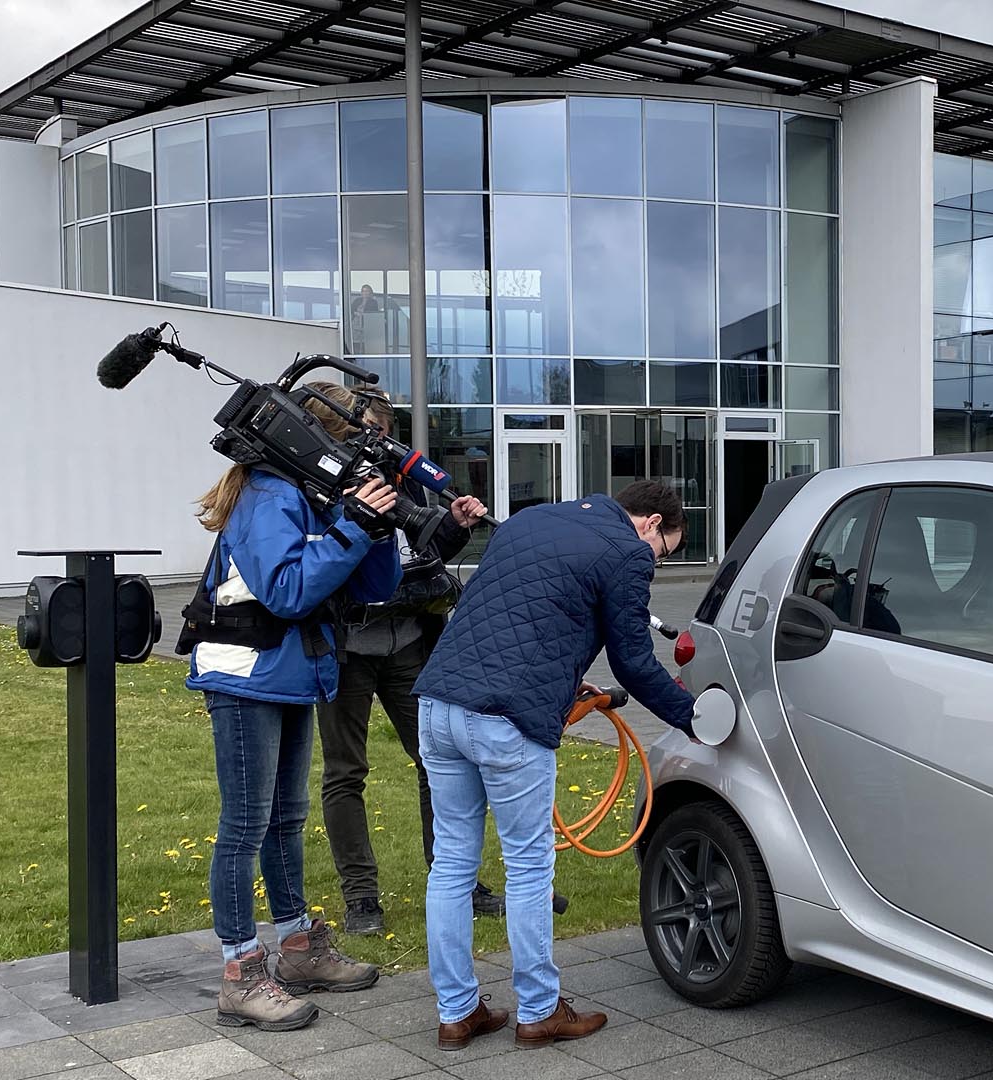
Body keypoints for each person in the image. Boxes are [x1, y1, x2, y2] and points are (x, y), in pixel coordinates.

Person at [413, 479, 697, 1052]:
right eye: (664, 550)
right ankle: (540, 1011)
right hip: (506, 720)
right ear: (650, 525)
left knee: (451, 864)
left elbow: (516, 615)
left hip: (439, 704)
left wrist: (565, 677)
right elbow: (635, 664)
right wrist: (696, 720)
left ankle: (457, 1012)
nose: (656, 561)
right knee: (528, 867)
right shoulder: (626, 551)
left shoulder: (530, 518)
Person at [183, 380, 403, 1033]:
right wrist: (351, 525)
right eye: (350, 442)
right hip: (247, 674)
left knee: (285, 818)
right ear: (311, 439)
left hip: (290, 673)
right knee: (246, 824)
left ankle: (298, 949)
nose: (360, 456)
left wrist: (378, 525)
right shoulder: (267, 496)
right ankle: (239, 974)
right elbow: (285, 589)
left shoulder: (310, 494)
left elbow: (373, 584)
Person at [317, 392, 504, 938]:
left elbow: (424, 555)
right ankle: (362, 900)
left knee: (437, 762)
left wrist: (454, 524)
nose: (370, 445)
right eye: (361, 435)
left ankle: (456, 882)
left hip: (407, 640)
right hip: (347, 644)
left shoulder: (408, 477)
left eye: (377, 434)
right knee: (345, 773)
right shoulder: (323, 478)